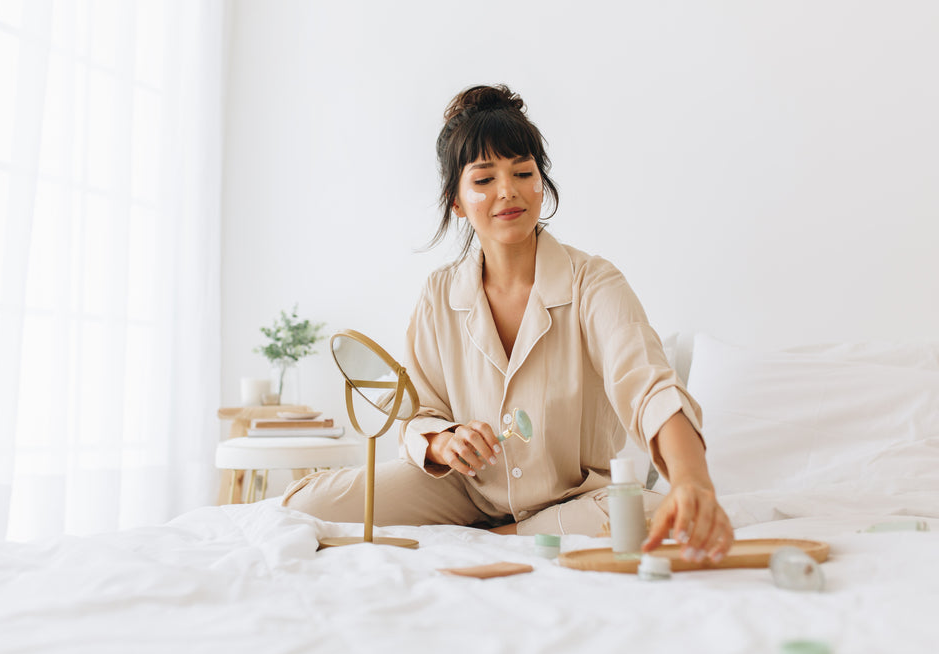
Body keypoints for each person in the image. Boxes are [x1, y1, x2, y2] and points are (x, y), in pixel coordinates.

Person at [284, 84, 733, 563]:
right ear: (456, 201)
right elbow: (419, 412)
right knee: (306, 504)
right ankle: (513, 532)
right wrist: (443, 442)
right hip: (464, 492)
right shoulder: (439, 295)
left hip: (575, 500)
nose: (508, 191)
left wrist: (692, 481)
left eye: (523, 172)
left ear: (542, 185)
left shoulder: (593, 283)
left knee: (649, 512)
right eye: (484, 179)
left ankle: (504, 536)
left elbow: (649, 388)